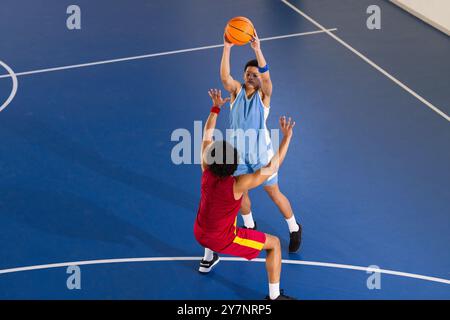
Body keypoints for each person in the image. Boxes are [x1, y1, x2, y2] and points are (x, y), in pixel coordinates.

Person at [194, 88, 296, 300]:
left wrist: (215, 108)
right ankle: (275, 297)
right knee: (275, 244)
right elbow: (271, 167)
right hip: (221, 239)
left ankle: (208, 257)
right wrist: (286, 138)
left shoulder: (206, 168)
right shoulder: (238, 184)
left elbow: (207, 134)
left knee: (216, 217)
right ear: (233, 165)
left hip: (199, 232)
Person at [220, 31, 302, 253]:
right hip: (237, 156)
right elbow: (225, 77)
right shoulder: (236, 92)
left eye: (255, 75)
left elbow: (267, 79)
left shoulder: (264, 97)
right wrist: (227, 48)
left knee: (274, 193)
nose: (251, 77)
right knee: (240, 194)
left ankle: (294, 228)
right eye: (248, 73)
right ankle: (249, 226)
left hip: (261, 157)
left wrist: (257, 49)